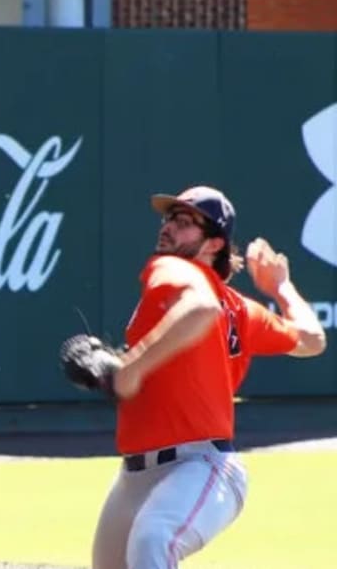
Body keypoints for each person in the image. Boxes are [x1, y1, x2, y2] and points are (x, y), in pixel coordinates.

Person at [92, 185, 327, 569]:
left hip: (200, 468)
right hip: (136, 477)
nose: (168, 227)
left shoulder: (173, 268)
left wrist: (127, 370)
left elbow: (202, 309)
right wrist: (281, 288)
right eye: (169, 218)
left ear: (214, 243)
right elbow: (312, 339)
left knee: (154, 539)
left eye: (184, 222)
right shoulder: (239, 308)